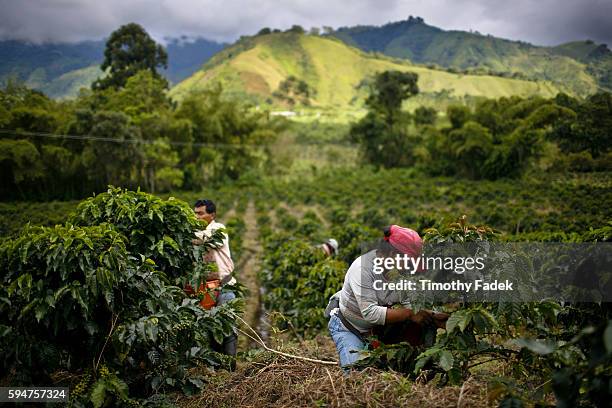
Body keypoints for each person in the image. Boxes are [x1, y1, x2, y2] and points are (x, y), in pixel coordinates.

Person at [326, 225, 448, 369]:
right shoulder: (363, 268)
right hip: (349, 327)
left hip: (377, 330)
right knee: (356, 374)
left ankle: (410, 368)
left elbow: (409, 304)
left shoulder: (402, 273)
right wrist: (410, 314)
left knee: (418, 327)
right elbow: (370, 313)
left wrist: (433, 316)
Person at [192, 199, 237, 357]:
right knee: (209, 328)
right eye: (195, 213)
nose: (197, 217)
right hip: (205, 288)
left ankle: (230, 366)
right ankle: (217, 365)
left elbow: (206, 239)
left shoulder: (218, 229)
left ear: (212, 215)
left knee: (227, 326)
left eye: (201, 213)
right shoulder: (196, 233)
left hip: (224, 285)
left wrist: (184, 233)